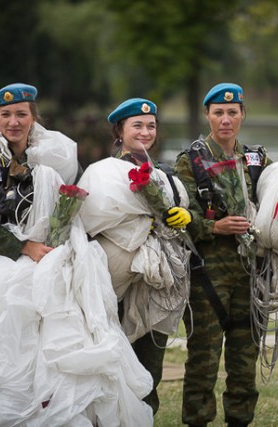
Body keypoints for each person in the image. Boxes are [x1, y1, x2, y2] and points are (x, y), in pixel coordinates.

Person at [0, 83, 153, 425]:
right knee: (7, 342)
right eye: (6, 115)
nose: (13, 122)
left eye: (21, 115)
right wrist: (23, 248)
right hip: (2, 266)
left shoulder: (46, 160)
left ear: (33, 118)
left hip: (47, 259)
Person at [77, 97, 192, 416]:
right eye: (137, 126)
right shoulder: (102, 174)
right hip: (114, 285)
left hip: (155, 284)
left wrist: (185, 218)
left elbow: (182, 219)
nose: (145, 132)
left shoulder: (165, 177)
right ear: (120, 130)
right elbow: (87, 223)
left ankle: (144, 418)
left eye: (151, 126)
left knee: (149, 367)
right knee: (112, 360)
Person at [174, 82, 271, 427]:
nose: (226, 119)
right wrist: (213, 228)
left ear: (243, 114)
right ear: (207, 115)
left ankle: (240, 421)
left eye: (233, 112)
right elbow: (178, 216)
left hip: (251, 273)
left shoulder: (257, 160)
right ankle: (197, 420)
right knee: (203, 359)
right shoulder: (190, 161)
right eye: (218, 112)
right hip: (208, 277)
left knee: (245, 362)